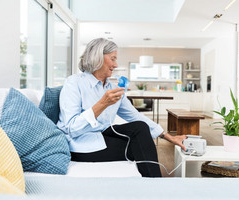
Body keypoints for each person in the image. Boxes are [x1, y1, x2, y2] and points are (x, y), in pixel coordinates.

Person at [57, 38, 187, 177]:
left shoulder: (112, 88)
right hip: (81, 144)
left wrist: (169, 137)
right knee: (140, 146)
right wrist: (103, 103)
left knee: (140, 127)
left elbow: (135, 116)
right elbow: (72, 128)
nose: (115, 64)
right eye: (112, 59)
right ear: (97, 57)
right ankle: (156, 189)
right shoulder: (74, 83)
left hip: (102, 134)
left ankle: (154, 183)